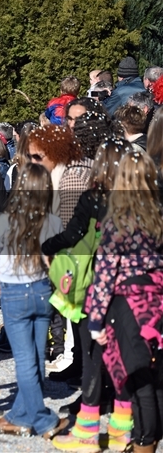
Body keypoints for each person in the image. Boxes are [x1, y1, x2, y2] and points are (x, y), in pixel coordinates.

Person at [42, 139, 132, 451]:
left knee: (92, 357)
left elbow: (72, 234)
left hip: (94, 287)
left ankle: (88, 432)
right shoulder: (140, 200)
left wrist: (46, 248)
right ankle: (123, 430)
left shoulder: (93, 198)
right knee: (120, 359)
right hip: (129, 291)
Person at [84, 151, 163, 453]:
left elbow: (104, 274)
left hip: (128, 302)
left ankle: (145, 442)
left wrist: (95, 320)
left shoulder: (118, 222)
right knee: (155, 374)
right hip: (155, 300)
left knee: (136, 375)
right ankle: (148, 438)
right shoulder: (157, 217)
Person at [0, 164, 68, 439]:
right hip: (43, 290)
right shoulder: (53, 221)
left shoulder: (6, 221)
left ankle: (42, 421)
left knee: (24, 360)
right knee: (36, 357)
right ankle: (18, 415)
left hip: (15, 292)